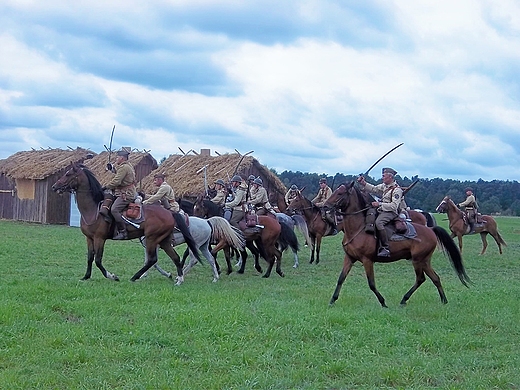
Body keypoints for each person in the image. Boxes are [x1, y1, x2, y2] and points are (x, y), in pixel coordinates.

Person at [357, 167, 403, 257]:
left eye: (384, 176)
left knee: (379, 223)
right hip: (382, 209)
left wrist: (379, 204)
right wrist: (363, 183)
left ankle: (385, 247)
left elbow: (394, 206)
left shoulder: (397, 190)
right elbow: (374, 189)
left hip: (391, 212)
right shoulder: (384, 186)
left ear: (390, 177)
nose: (382, 178)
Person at [102, 149, 137, 240]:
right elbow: (120, 174)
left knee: (114, 210)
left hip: (126, 194)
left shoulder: (124, 167)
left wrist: (106, 187)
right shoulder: (127, 166)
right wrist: (112, 169)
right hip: (125, 192)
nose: (116, 159)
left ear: (122, 158)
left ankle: (123, 231)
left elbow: (117, 181)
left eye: (117, 157)